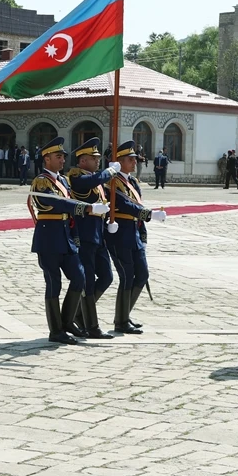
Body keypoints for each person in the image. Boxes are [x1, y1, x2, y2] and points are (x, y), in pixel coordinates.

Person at [29, 137, 106, 344]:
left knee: (80, 278)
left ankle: (67, 321)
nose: (63, 160)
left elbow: (69, 210)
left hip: (66, 238)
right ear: (47, 159)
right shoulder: (41, 181)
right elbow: (59, 203)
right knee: (54, 284)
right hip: (49, 239)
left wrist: (76, 237)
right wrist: (88, 208)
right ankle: (56, 331)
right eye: (58, 156)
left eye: (63, 156)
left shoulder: (63, 181)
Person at [104, 141, 166, 335]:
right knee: (127, 276)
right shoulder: (112, 182)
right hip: (119, 234)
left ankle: (124, 315)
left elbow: (137, 207)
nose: (134, 163)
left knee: (142, 275)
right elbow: (125, 205)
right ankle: (121, 321)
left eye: (135, 160)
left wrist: (143, 234)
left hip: (134, 233)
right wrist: (150, 214)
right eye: (130, 160)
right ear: (120, 162)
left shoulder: (133, 182)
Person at [65, 138, 119, 339]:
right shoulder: (77, 177)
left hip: (98, 236)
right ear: (82, 161)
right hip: (84, 236)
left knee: (106, 277)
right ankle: (92, 326)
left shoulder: (95, 179)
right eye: (93, 158)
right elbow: (91, 182)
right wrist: (110, 171)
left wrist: (108, 224)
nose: (97, 161)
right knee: (87, 281)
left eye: (97, 158)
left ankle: (80, 313)